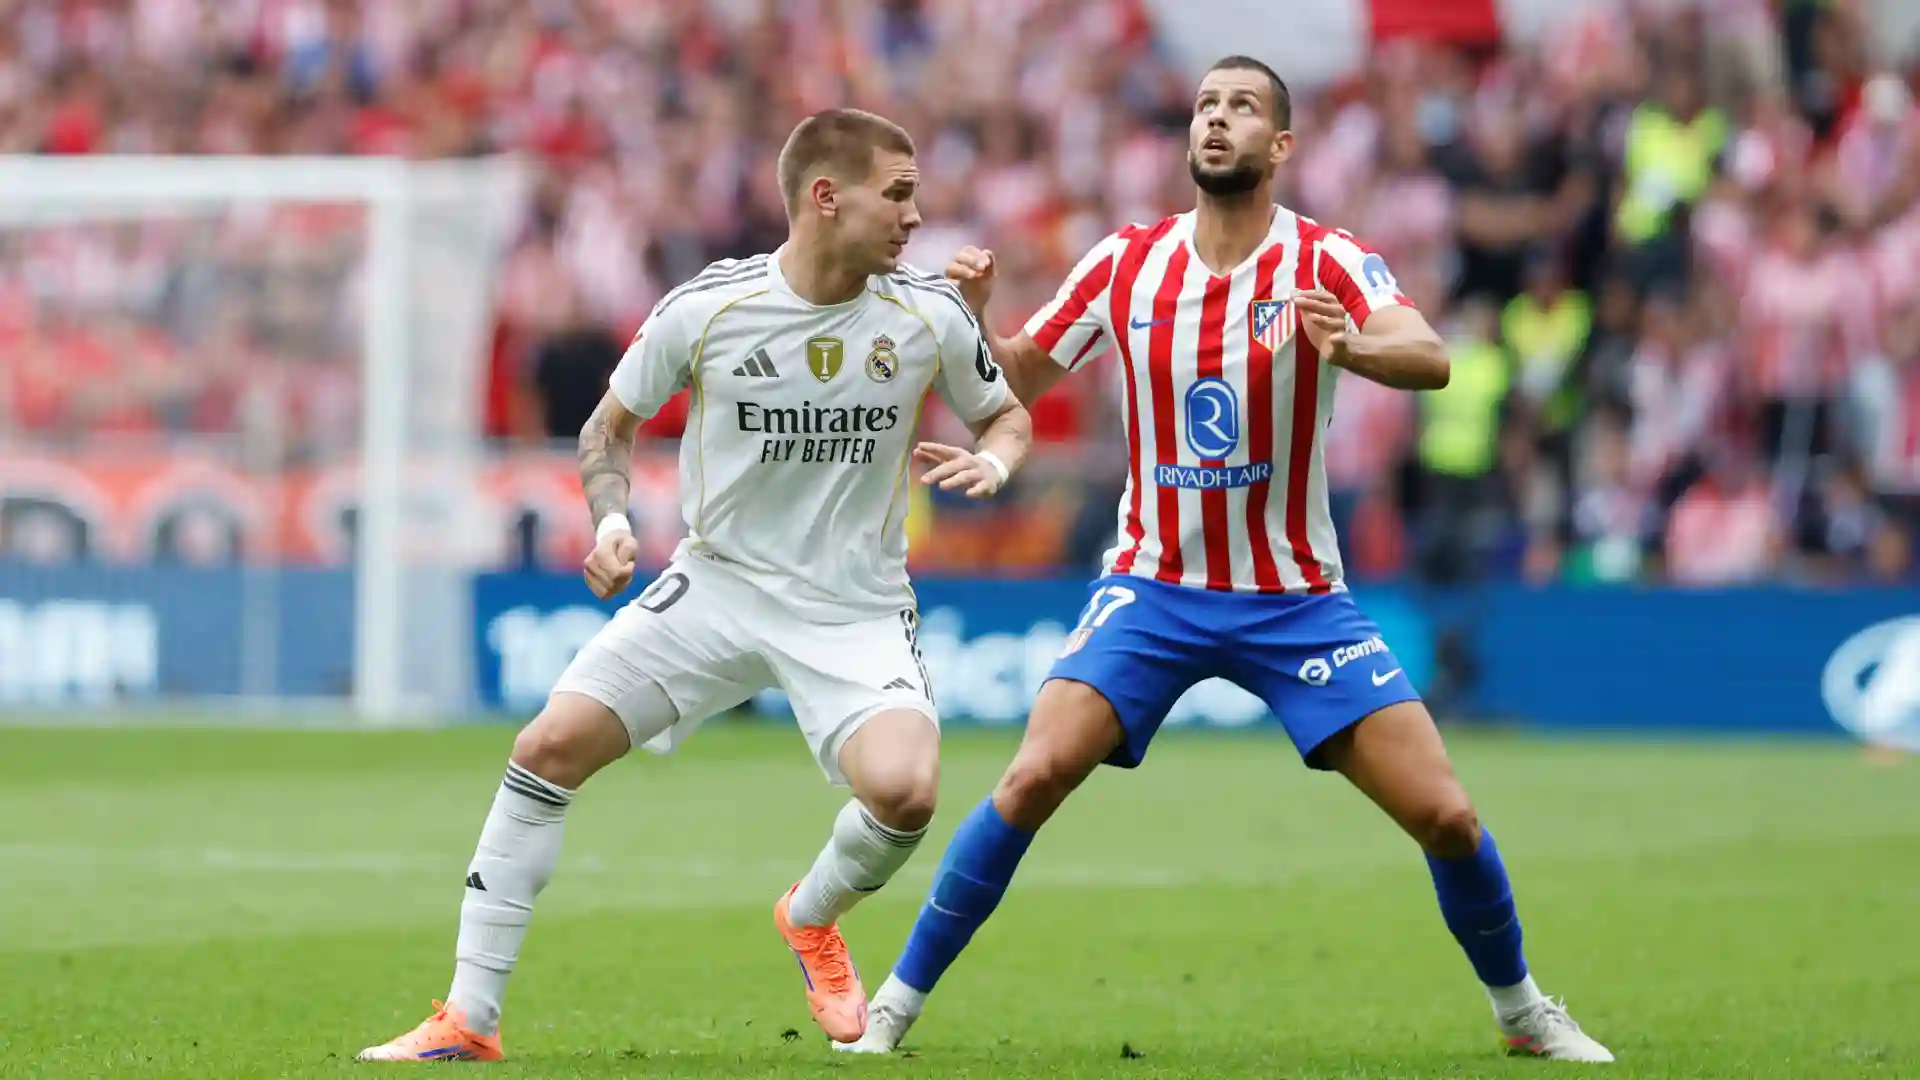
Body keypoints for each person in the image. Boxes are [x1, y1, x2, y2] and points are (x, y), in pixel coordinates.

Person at [839, 57, 1614, 1063]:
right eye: (1206, 105)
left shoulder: (1327, 261)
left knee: (1450, 816)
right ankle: (895, 1007)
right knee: (1030, 777)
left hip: (1295, 600)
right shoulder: (1128, 261)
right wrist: (977, 320)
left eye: (1242, 108)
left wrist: (1350, 350)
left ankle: (1522, 1013)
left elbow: (1429, 354)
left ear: (1280, 146)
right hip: (1152, 587)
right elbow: (1018, 373)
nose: (1217, 120)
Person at [357, 108, 1033, 1063]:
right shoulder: (708, 307)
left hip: (855, 607)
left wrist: (995, 464)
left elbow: (1007, 415)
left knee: (908, 793)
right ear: (824, 198)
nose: (916, 217)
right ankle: (470, 1015)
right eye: (899, 193)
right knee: (547, 746)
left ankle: (811, 916)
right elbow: (607, 430)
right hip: (714, 587)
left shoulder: (926, 312)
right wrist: (613, 520)